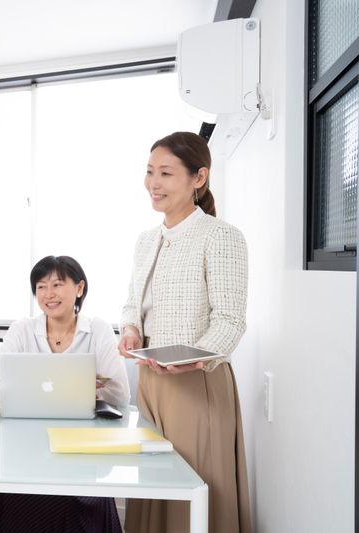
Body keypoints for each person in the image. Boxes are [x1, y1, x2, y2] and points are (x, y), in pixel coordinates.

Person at [118, 131, 251, 533]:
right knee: (154, 484)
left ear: (198, 178)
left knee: (194, 485)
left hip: (197, 384)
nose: (153, 184)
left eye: (166, 173)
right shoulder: (146, 241)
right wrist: (130, 331)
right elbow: (132, 304)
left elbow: (230, 321)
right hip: (150, 382)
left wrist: (191, 358)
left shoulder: (221, 236)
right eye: (149, 172)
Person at [0, 255, 130, 533]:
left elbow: (120, 394)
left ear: (79, 288)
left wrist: (40, 389)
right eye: (41, 287)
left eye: (57, 285)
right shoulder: (22, 329)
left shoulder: (97, 329)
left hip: (82, 445)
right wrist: (82, 387)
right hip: (26, 443)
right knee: (19, 494)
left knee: (72, 500)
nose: (48, 294)